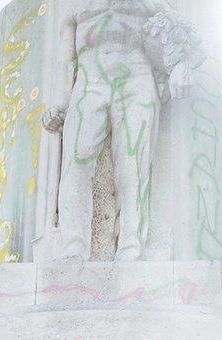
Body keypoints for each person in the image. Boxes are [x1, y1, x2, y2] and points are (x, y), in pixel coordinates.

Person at [41, 0, 203, 261]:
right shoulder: (73, 6)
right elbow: (65, 61)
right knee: (76, 162)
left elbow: (182, 30)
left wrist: (183, 65)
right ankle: (73, 245)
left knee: (134, 166)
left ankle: (131, 244)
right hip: (88, 82)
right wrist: (60, 101)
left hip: (136, 79)